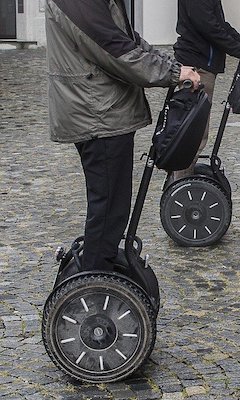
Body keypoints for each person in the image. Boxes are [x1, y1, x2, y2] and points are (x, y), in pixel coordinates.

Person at [45, 0, 200, 272]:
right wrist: (173, 72)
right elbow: (114, 49)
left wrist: (172, 64)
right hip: (97, 112)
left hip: (103, 109)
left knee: (113, 205)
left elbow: (128, 40)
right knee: (107, 207)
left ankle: (101, 265)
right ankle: (93, 279)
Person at [173, 0, 240, 178]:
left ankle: (182, 179)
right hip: (196, 66)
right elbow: (208, 26)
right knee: (194, 132)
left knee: (196, 130)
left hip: (202, 63)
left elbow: (219, 23)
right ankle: (181, 184)